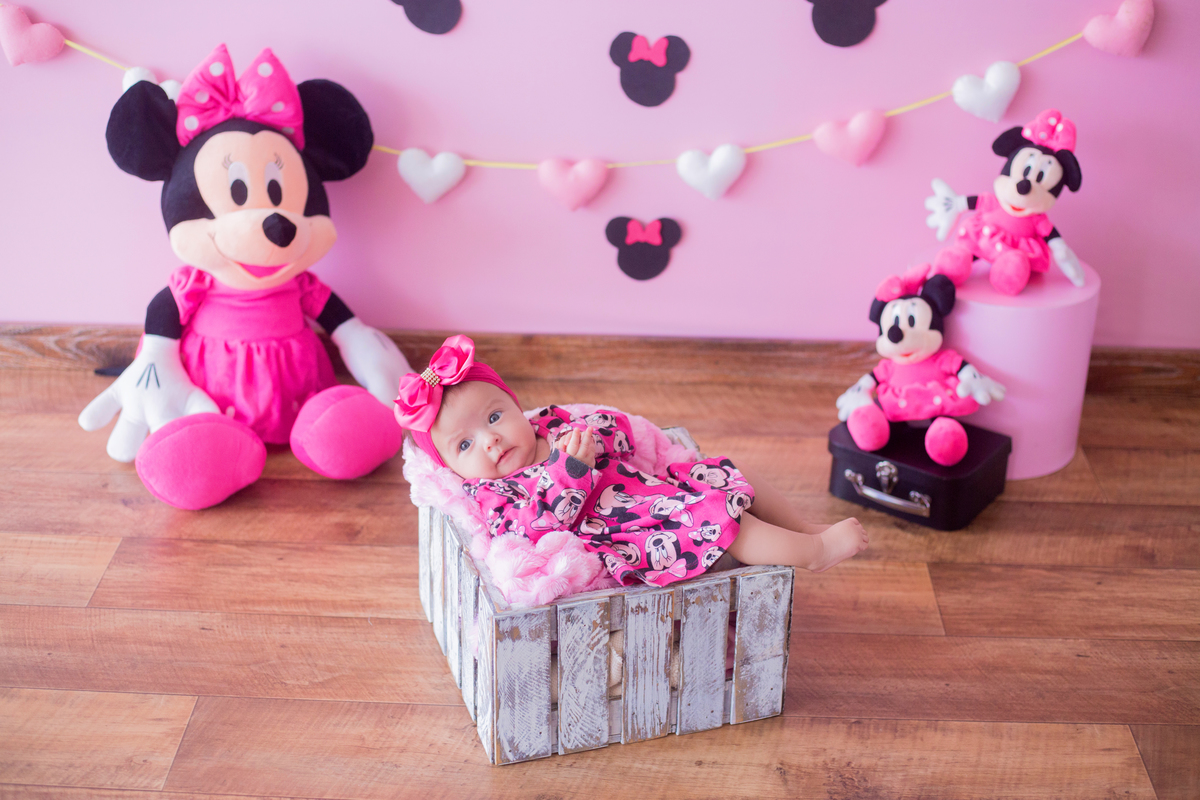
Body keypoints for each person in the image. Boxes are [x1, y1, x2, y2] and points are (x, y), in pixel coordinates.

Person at [395, 335, 868, 587]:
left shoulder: (552, 425)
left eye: (495, 416)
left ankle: (802, 529)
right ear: (452, 469)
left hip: (653, 488)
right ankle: (814, 554)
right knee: (723, 523)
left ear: (517, 406)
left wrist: (594, 435)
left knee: (733, 470)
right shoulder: (495, 494)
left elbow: (621, 435)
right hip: (630, 528)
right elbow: (535, 528)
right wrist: (571, 472)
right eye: (464, 445)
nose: (490, 440)